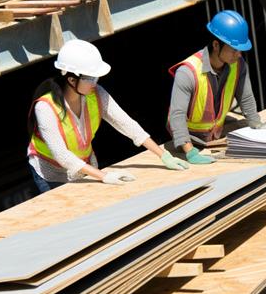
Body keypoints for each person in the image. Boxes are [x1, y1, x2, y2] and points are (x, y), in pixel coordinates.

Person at [27, 40, 189, 194]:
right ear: (71, 79)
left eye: (96, 78)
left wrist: (163, 155)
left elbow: (126, 124)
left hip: (85, 164)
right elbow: (62, 155)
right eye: (91, 78)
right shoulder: (45, 108)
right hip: (51, 172)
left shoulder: (96, 94)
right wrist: (103, 176)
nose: (94, 83)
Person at [167, 9, 262, 165]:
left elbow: (246, 97)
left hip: (215, 137)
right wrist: (190, 152)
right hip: (190, 141)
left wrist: (257, 125)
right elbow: (177, 115)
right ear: (216, 45)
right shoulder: (187, 72)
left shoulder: (238, 65)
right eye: (234, 49)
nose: (239, 55)